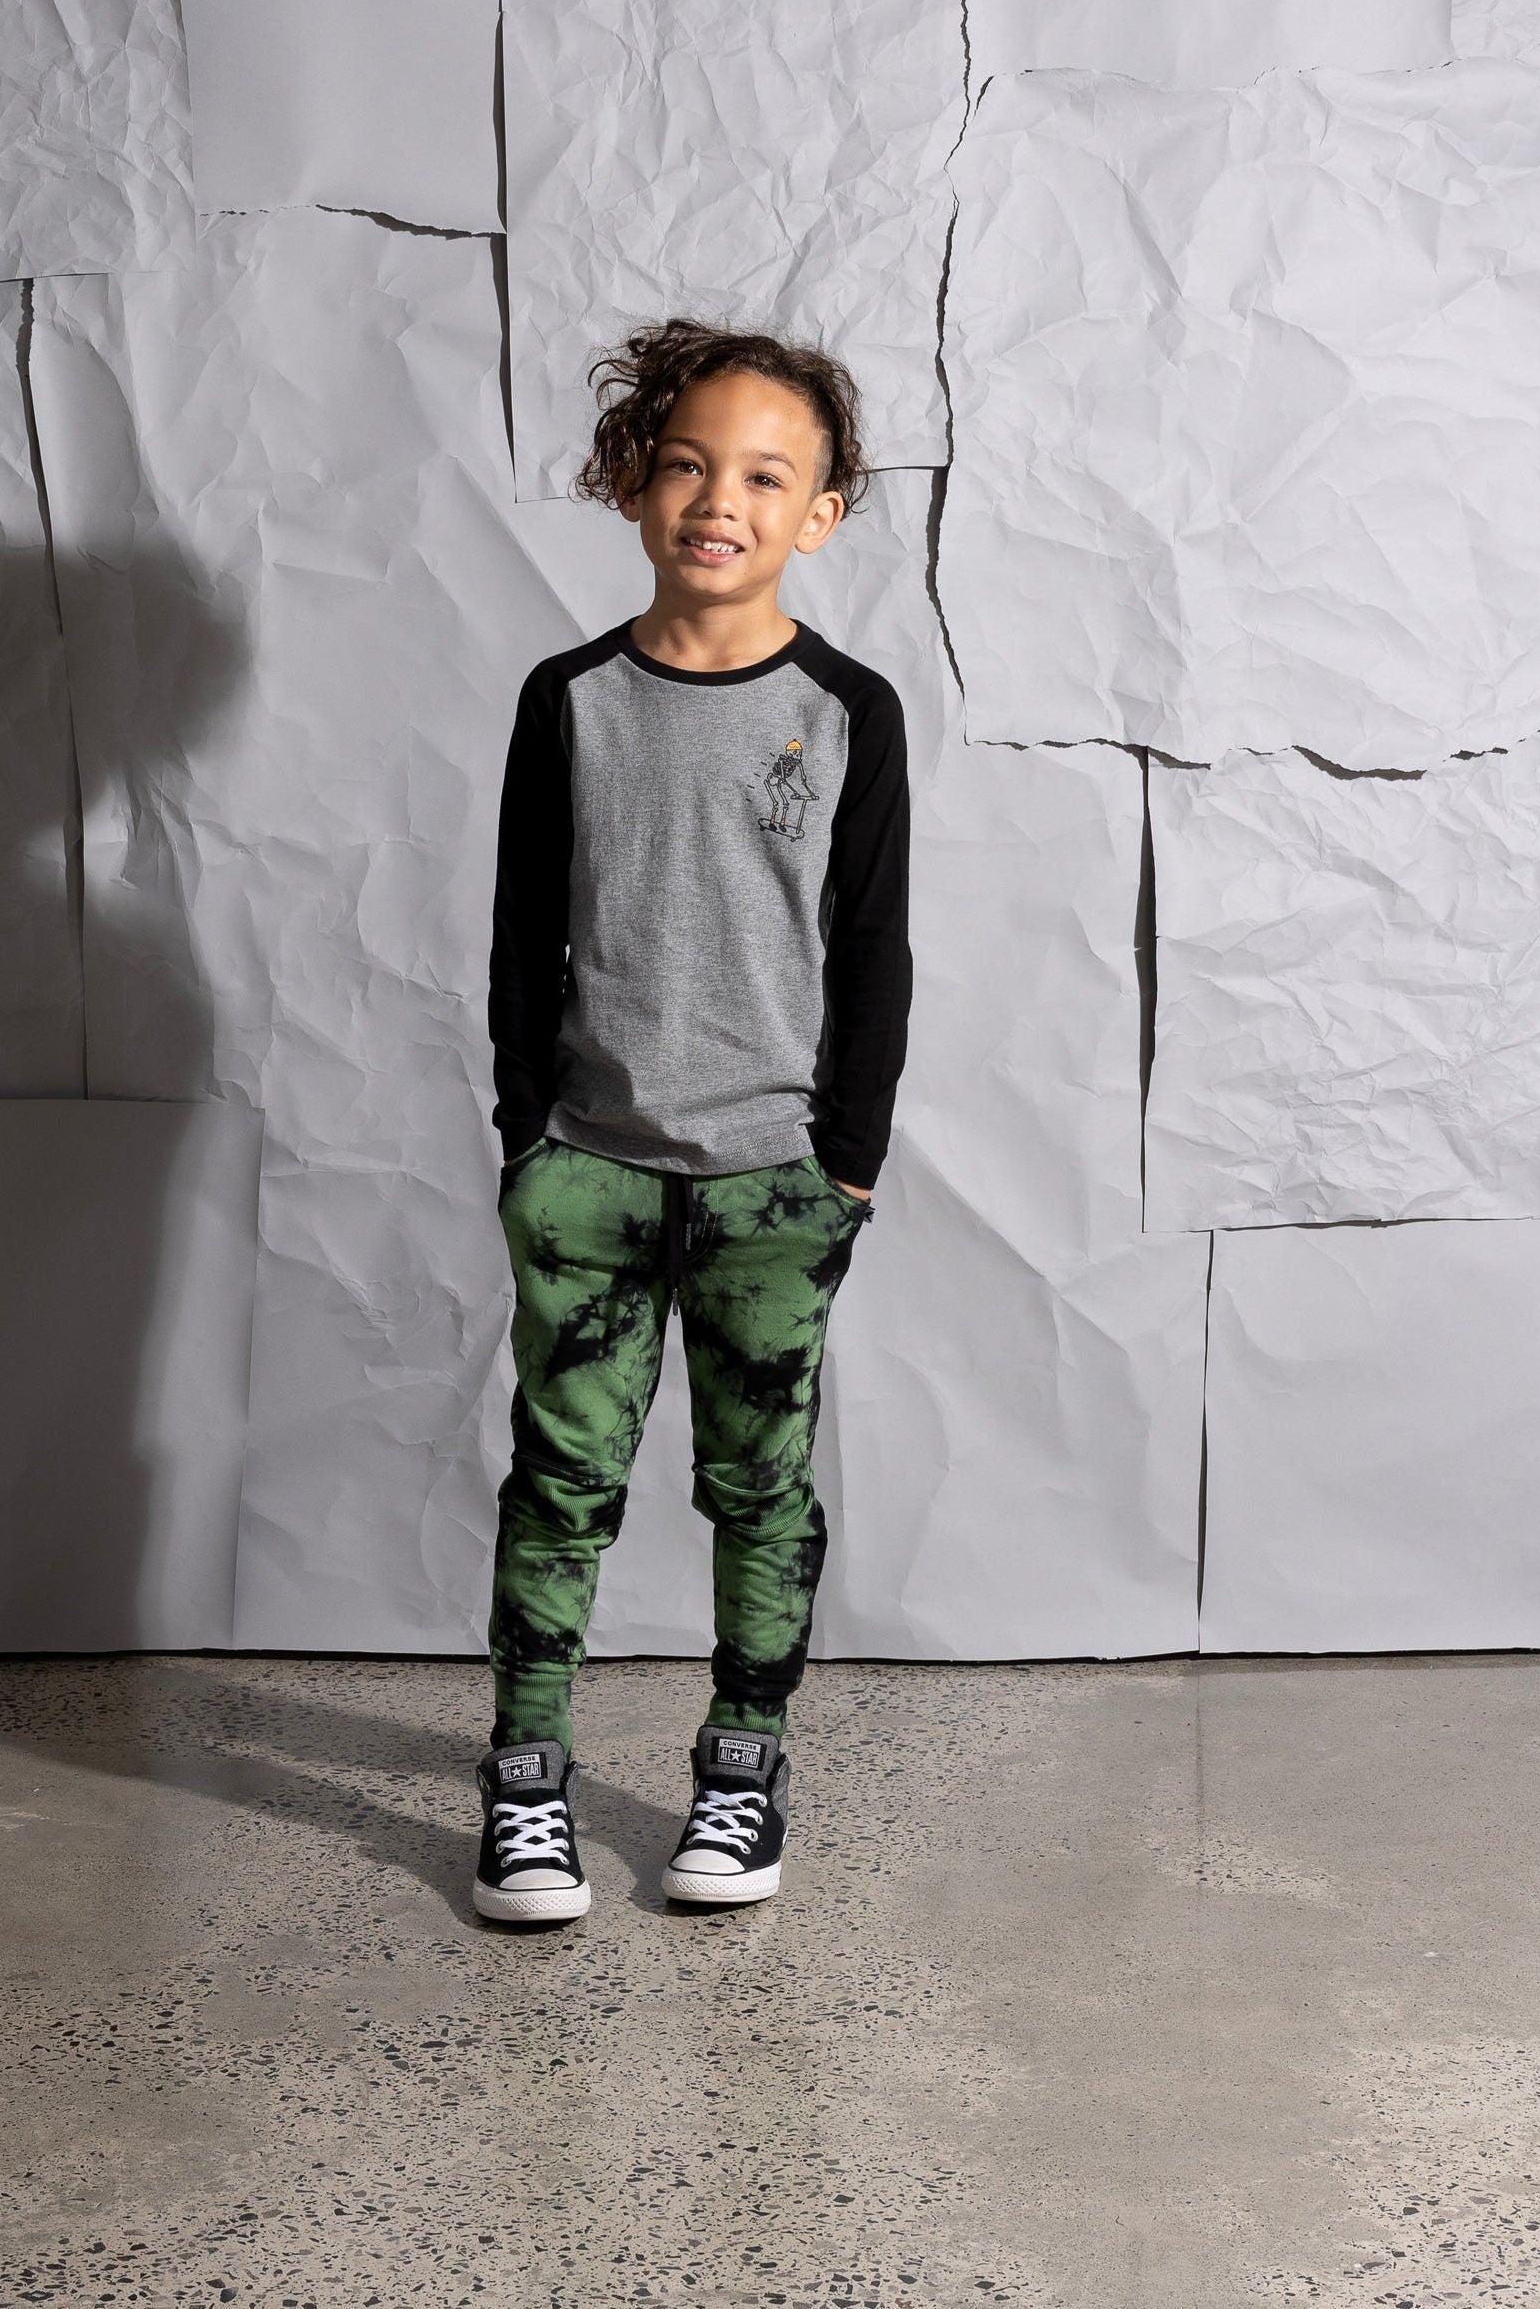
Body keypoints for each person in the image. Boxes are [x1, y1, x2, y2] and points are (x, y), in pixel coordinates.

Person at [473, 318, 914, 1922]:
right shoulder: (569, 699)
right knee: (560, 1482)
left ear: (823, 513)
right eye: (685, 464)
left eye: (765, 477)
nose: (718, 500)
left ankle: (742, 1769)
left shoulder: (851, 710)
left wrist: (844, 1167)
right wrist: (530, 1138)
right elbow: (524, 937)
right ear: (634, 484)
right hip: (588, 1174)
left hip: (771, 1190)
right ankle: (526, 1781)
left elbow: (872, 952)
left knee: (759, 1488)